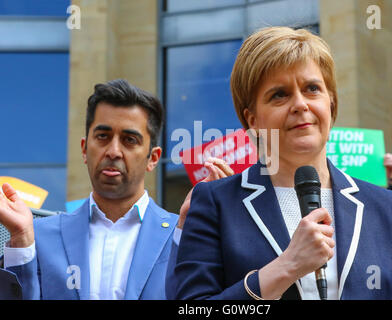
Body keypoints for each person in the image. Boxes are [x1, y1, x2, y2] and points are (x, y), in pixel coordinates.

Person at [168, 27, 392, 300]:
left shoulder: (386, 207)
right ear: (253, 120)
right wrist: (285, 267)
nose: (300, 104)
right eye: (279, 95)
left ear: (331, 104)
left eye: (312, 89)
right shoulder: (216, 203)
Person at [0, 79, 231, 300]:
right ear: (84, 149)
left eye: (130, 140)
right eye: (103, 136)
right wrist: (21, 239)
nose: (113, 151)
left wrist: (200, 231)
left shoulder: (181, 234)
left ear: (153, 158)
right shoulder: (37, 237)